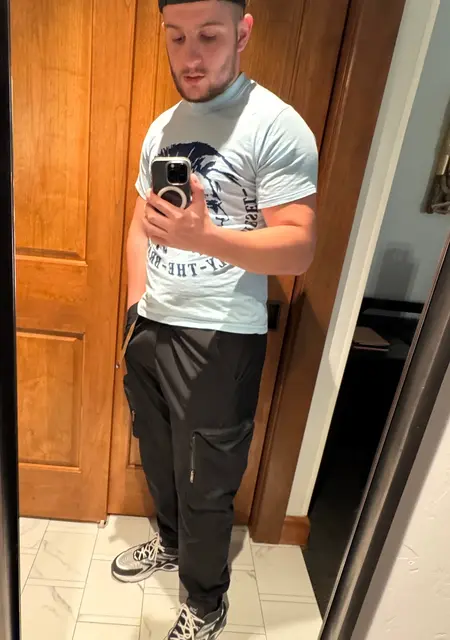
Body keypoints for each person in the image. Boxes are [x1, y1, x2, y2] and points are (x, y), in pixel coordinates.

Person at [112, 0, 318, 638]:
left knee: (206, 482)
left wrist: (205, 238)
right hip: (153, 326)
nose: (190, 56)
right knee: (158, 456)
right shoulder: (163, 127)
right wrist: (136, 310)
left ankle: (205, 603)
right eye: (176, 38)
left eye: (208, 35)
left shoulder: (276, 126)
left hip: (221, 338)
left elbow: (299, 248)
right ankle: (172, 544)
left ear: (243, 32)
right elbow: (140, 225)